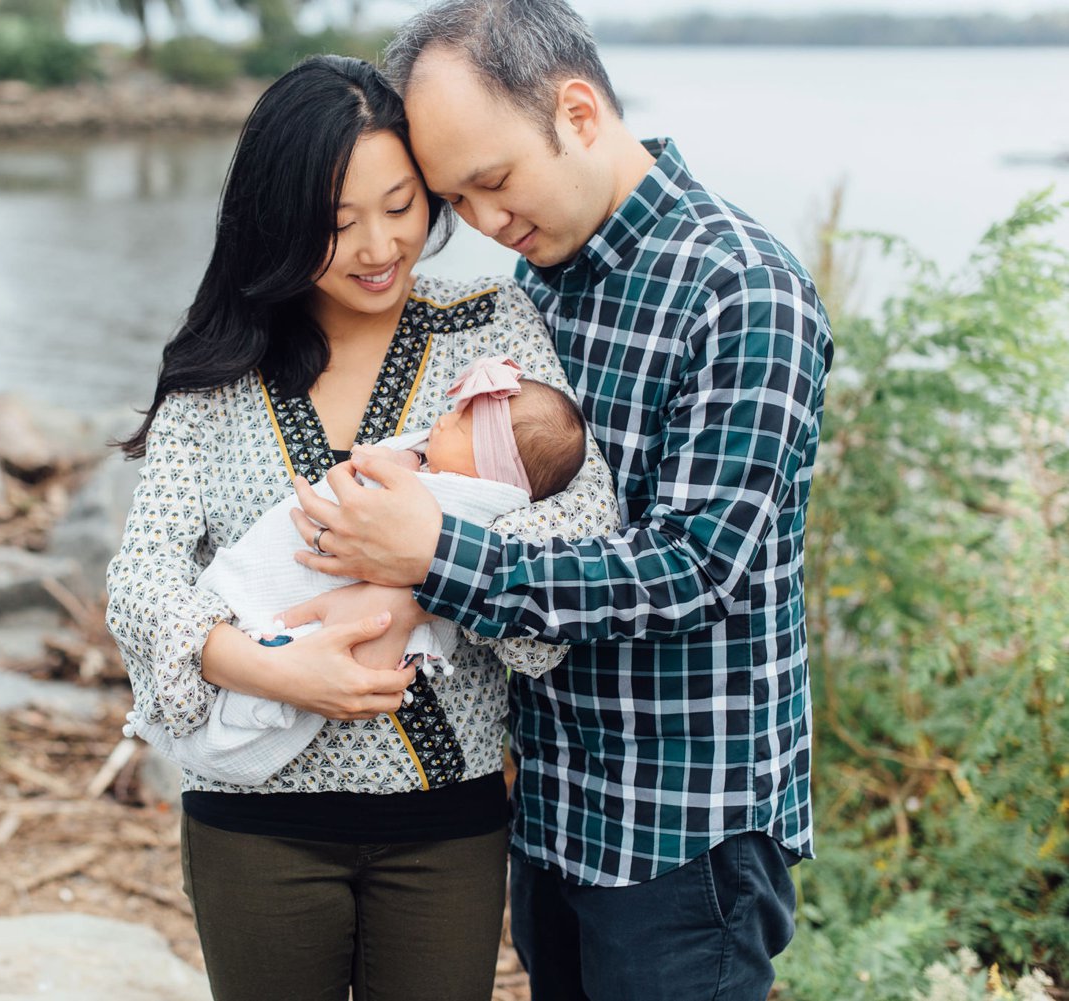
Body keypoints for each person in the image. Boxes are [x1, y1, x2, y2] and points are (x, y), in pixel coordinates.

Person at [283, 3, 836, 999]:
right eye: (458, 198)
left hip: (682, 831)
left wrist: (437, 555)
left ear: (578, 112)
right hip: (555, 811)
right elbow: (510, 512)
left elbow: (696, 566)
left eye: (493, 181)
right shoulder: (542, 287)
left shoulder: (742, 291)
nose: (487, 222)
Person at [104, 54, 618, 1001]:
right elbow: (140, 585)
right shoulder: (219, 374)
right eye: (337, 225)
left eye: (400, 204)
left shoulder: (491, 332)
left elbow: (578, 550)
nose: (381, 245)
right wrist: (269, 668)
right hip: (255, 827)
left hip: (447, 824)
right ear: (278, 220)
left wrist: (428, 553)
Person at [127, 357, 590, 787]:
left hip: (441, 805)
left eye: (462, 425)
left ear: (488, 470)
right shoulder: (210, 378)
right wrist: (267, 671)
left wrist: (414, 592)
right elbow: (140, 580)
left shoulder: (476, 498)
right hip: (246, 822)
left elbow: (553, 602)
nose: (443, 420)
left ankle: (248, 715)